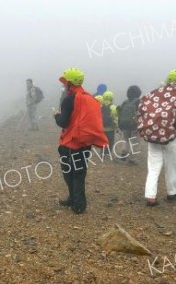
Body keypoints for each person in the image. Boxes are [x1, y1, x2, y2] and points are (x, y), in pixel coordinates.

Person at [136, 69, 176, 206]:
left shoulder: (155, 93)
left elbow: (141, 109)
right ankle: (172, 193)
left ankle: (150, 196)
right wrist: (174, 130)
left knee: (153, 167)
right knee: (173, 166)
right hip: (174, 138)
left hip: (153, 136)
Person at [54, 68, 108, 214]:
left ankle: (75, 201)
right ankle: (78, 203)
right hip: (84, 142)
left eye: (65, 81)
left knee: (68, 171)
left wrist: (56, 116)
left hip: (69, 143)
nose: (64, 84)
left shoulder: (68, 99)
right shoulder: (88, 97)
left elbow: (63, 122)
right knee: (79, 172)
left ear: (69, 83)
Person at [117, 85, 142, 163]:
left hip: (124, 125)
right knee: (135, 142)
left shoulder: (125, 102)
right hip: (135, 125)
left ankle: (123, 155)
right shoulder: (139, 102)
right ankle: (132, 160)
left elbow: (119, 112)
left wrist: (119, 124)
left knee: (126, 140)